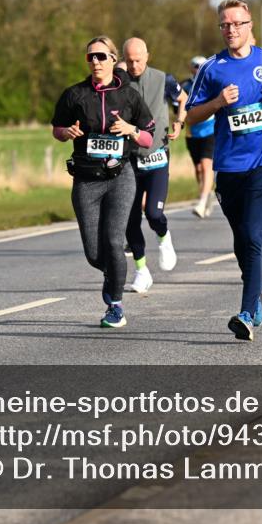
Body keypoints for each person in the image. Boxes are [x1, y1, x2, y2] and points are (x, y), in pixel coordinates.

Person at [185, 0, 262, 342]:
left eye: (236, 24)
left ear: (249, 26)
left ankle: (246, 313)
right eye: (224, 25)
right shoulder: (211, 68)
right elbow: (190, 116)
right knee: (241, 239)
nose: (230, 29)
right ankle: (257, 288)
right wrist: (218, 102)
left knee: (255, 236)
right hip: (229, 166)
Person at [51, 36, 154, 328]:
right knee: (95, 253)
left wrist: (131, 129)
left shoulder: (129, 96)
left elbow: (148, 138)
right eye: (90, 57)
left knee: (113, 241)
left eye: (100, 56)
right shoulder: (75, 95)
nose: (95, 61)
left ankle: (115, 305)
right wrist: (66, 133)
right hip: (86, 180)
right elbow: (57, 129)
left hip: (121, 176)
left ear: (112, 59)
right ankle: (113, 272)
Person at [120, 37, 187, 294]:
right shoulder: (119, 82)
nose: (134, 65)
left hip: (157, 155)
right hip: (130, 159)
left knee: (154, 213)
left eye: (138, 60)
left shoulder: (163, 79)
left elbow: (184, 99)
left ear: (147, 56)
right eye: (129, 61)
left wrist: (179, 122)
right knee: (130, 219)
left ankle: (164, 237)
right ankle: (141, 271)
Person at [182, 56, 216, 218]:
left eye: (202, 66)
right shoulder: (185, 86)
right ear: (191, 68)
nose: (199, 69)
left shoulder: (213, 83)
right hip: (192, 132)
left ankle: (202, 201)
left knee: (206, 164)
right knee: (198, 169)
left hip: (210, 129)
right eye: (196, 66)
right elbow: (178, 106)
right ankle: (206, 193)